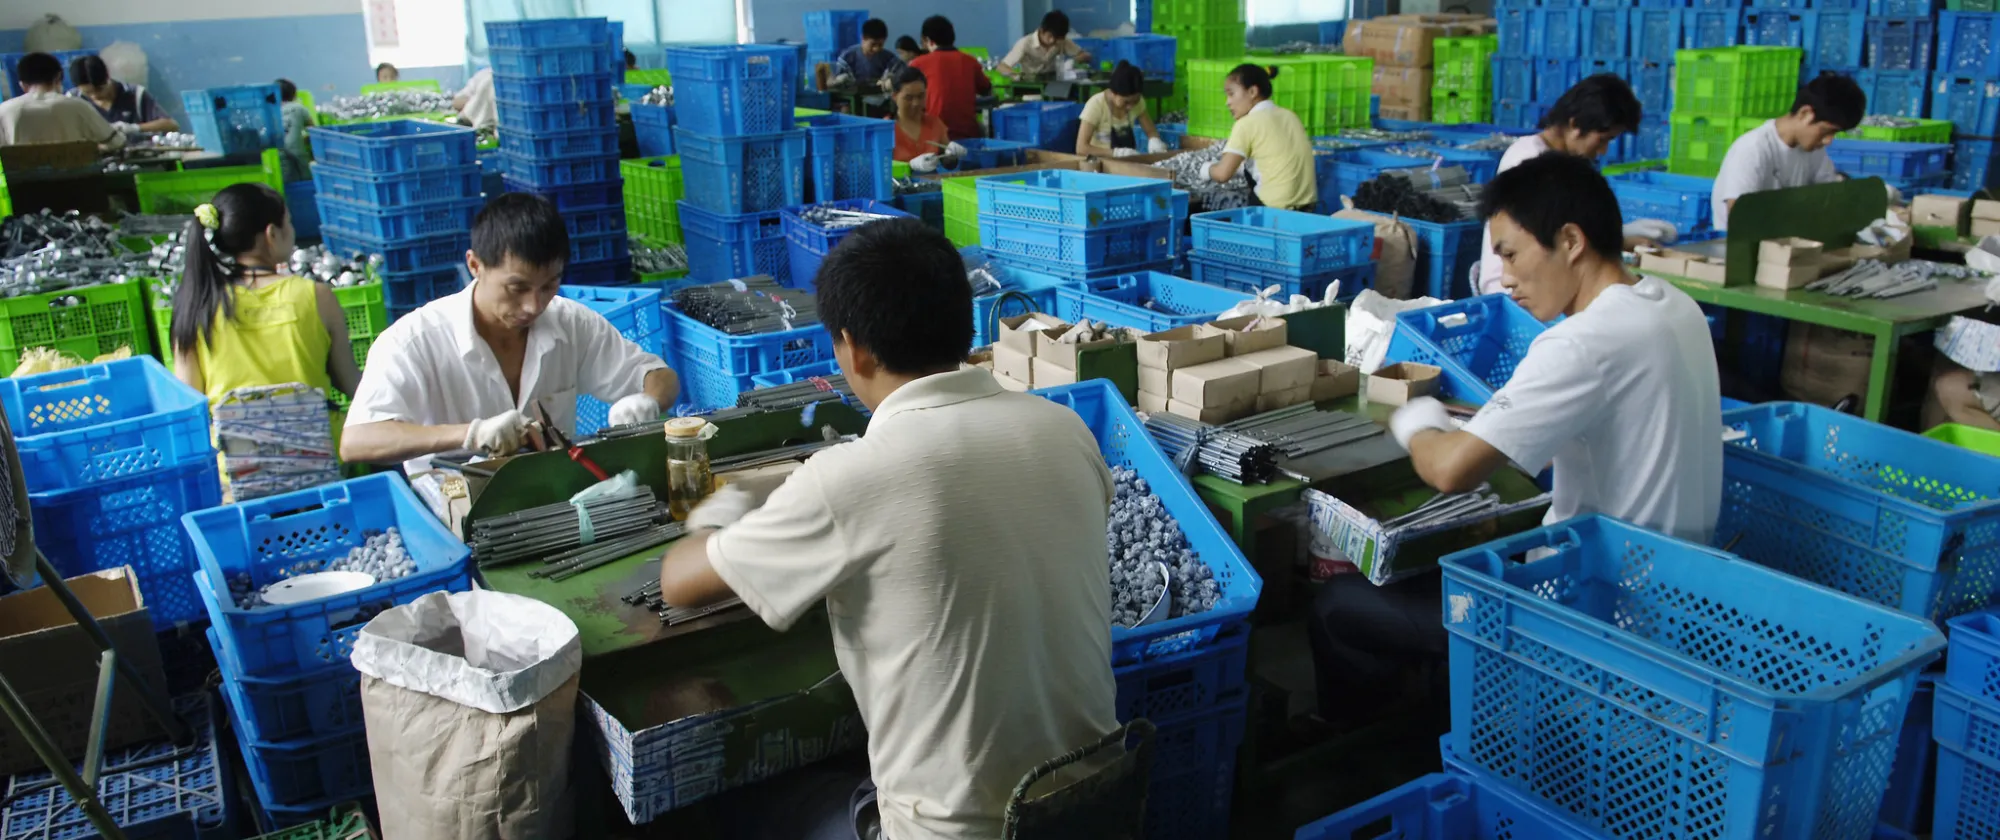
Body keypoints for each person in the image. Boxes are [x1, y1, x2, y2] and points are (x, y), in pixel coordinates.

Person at [656, 217, 1119, 840]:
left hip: (957, 834)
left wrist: (720, 510)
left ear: (854, 348)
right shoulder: (1064, 429)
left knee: (738, 800)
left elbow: (679, 583)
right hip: (1093, 808)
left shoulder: (852, 478)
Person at [1308, 154, 1722, 732]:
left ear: (1570, 241)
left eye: (1510, 254)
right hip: (1678, 598)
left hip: (1588, 617)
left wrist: (1415, 420)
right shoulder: (1673, 306)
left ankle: (1380, 746)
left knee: (1338, 604)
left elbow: (1450, 470)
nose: (1503, 278)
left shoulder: (1583, 343)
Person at [340, 194, 680, 468]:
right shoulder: (413, 341)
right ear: (475, 265)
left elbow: (660, 375)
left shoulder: (571, 323)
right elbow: (357, 441)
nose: (533, 306)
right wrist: (470, 434)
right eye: (517, 288)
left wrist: (648, 400)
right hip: (450, 502)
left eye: (549, 286)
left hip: (551, 491)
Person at [170, 183, 361, 415]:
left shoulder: (197, 304)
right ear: (272, 234)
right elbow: (350, 382)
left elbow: (188, 404)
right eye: (288, 222)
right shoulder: (316, 296)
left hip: (226, 439)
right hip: (318, 438)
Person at [1475, 74, 1645, 295]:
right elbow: (1547, 244)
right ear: (1575, 124)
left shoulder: (1563, 164)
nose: (1603, 151)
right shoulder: (1531, 161)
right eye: (1602, 140)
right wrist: (1621, 240)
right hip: (1513, 288)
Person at [1711, 73, 1866, 232]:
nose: (1828, 140)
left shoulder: (1814, 150)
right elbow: (1739, 217)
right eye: (1827, 131)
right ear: (1804, 114)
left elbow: (1830, 195)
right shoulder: (1752, 149)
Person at [1207, 63, 1313, 211]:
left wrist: (1206, 169)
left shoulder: (1246, 123)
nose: (1227, 102)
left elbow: (1222, 174)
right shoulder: (1290, 115)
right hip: (1307, 207)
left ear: (1252, 92)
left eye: (1231, 94)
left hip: (1273, 209)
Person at [0, 53, 124, 149]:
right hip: (76, 174)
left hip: (22, 175)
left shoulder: (4, 110)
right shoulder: (77, 106)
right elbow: (116, 142)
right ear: (58, 77)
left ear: (22, 85)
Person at [907, 16, 991, 141]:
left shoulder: (918, 64)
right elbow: (986, 89)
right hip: (968, 135)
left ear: (927, 40)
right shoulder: (970, 61)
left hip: (935, 139)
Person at [1065, 61, 1166, 158]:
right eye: (1126, 102)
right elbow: (1081, 148)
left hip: (1128, 161)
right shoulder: (1096, 104)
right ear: (1113, 93)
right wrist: (1116, 153)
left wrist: (1154, 140)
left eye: (1135, 101)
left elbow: (1150, 131)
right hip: (1100, 163)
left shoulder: (1138, 103)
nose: (1131, 107)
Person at [66, 54, 176, 134]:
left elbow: (171, 125)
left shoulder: (135, 94)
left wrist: (134, 128)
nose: (94, 96)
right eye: (87, 93)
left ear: (108, 77)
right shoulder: (72, 100)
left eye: (99, 90)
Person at [999, 11, 1094, 79]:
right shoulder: (1025, 43)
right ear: (1042, 30)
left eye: (1057, 38)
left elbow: (1086, 55)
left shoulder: (1062, 41)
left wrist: (1072, 61)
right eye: (1050, 36)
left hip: (1054, 82)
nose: (1052, 41)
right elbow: (1002, 67)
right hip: (1030, 84)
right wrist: (1017, 76)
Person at [890, 67, 954, 167]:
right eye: (908, 98)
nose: (916, 103)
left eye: (921, 96)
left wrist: (952, 155)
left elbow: (948, 163)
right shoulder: (885, 130)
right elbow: (880, 167)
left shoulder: (934, 124)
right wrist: (910, 166)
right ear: (895, 97)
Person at [835, 18, 905, 90]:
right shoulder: (847, 58)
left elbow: (903, 76)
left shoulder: (890, 59)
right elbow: (839, 84)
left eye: (880, 45)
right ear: (863, 38)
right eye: (873, 44)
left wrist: (892, 80)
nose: (876, 49)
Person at [277, 79, 315, 182]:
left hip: (280, 153)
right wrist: (305, 139)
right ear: (294, 95)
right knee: (306, 178)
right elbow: (313, 130)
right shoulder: (299, 108)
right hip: (299, 152)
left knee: (287, 180)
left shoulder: (273, 111)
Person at [454, 66, 496, 131]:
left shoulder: (487, 75)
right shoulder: (485, 74)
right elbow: (458, 101)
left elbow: (457, 102)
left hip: (480, 126)